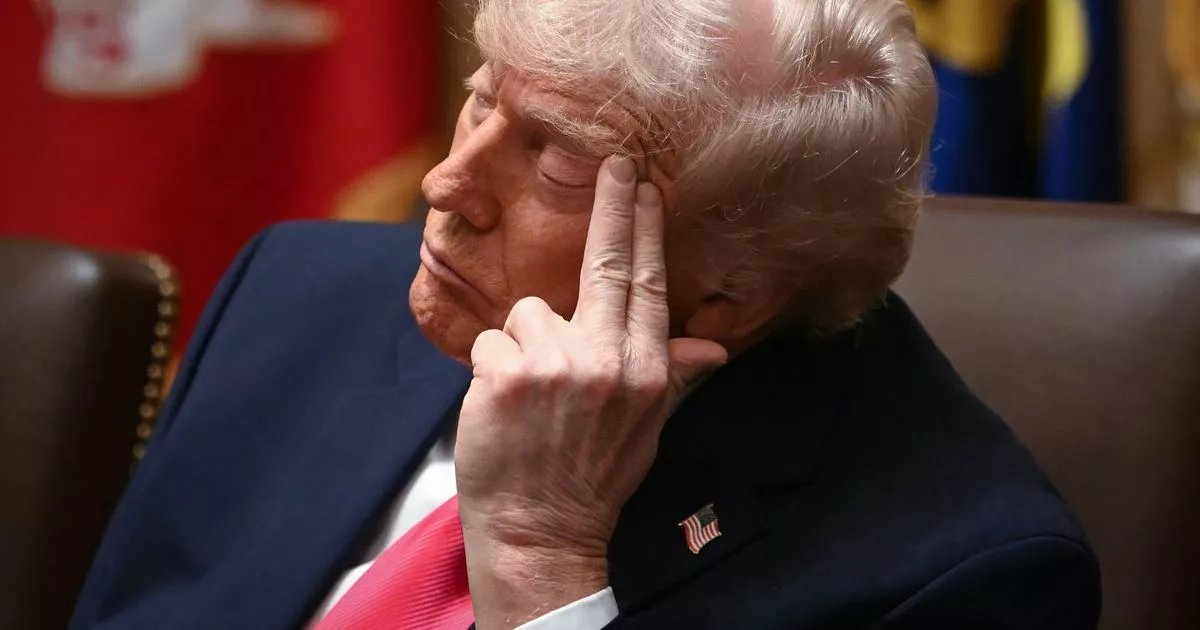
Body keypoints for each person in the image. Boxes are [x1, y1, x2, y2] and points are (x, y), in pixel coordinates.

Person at [72, 1, 1101, 628]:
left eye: (558, 161)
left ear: (729, 293)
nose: (444, 184)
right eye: (481, 100)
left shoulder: (963, 573)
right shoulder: (300, 294)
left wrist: (541, 564)